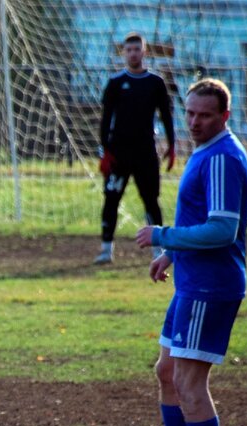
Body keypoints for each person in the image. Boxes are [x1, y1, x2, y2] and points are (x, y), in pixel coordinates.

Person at [135, 78, 247, 426]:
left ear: (224, 116)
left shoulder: (222, 157)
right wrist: (172, 253)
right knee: (167, 372)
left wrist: (164, 235)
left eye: (204, 115)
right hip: (191, 282)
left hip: (211, 288)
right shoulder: (205, 151)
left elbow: (223, 229)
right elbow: (200, 219)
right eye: (190, 114)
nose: (195, 122)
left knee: (188, 381)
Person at [95, 33, 176, 265]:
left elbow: (166, 116)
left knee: (151, 200)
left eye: (136, 49)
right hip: (119, 154)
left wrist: (171, 146)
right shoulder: (116, 83)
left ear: (144, 52)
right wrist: (105, 151)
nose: (133, 53)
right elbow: (106, 119)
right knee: (111, 199)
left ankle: (158, 249)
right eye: (128, 50)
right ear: (123, 53)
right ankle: (106, 249)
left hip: (145, 154)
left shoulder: (155, 83)